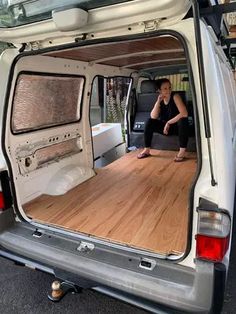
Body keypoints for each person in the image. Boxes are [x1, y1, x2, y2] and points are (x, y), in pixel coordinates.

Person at [137, 78, 189, 161]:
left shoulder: (175, 96)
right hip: (165, 128)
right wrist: (158, 102)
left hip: (177, 127)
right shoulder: (160, 100)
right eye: (165, 88)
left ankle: (182, 152)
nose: (168, 90)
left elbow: (184, 113)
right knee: (149, 121)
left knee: (183, 120)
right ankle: (147, 150)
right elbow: (153, 116)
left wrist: (168, 122)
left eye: (169, 88)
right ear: (159, 90)